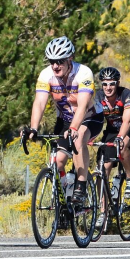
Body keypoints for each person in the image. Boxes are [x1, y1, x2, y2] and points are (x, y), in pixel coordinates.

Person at [26, 36, 102, 204]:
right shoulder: (46, 75)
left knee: (78, 138)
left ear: (70, 59)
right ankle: (65, 200)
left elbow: (82, 106)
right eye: (52, 61)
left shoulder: (83, 73)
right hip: (65, 120)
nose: (55, 66)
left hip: (90, 117)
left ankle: (81, 185)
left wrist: (74, 128)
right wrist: (33, 128)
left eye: (60, 61)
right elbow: (39, 102)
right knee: (58, 161)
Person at [95, 66, 130, 227]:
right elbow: (91, 118)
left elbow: (128, 120)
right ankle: (103, 212)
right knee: (103, 168)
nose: (108, 88)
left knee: (122, 147)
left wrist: (121, 138)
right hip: (111, 130)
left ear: (118, 83)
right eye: (105, 84)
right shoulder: (98, 97)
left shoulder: (127, 94)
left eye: (112, 84)